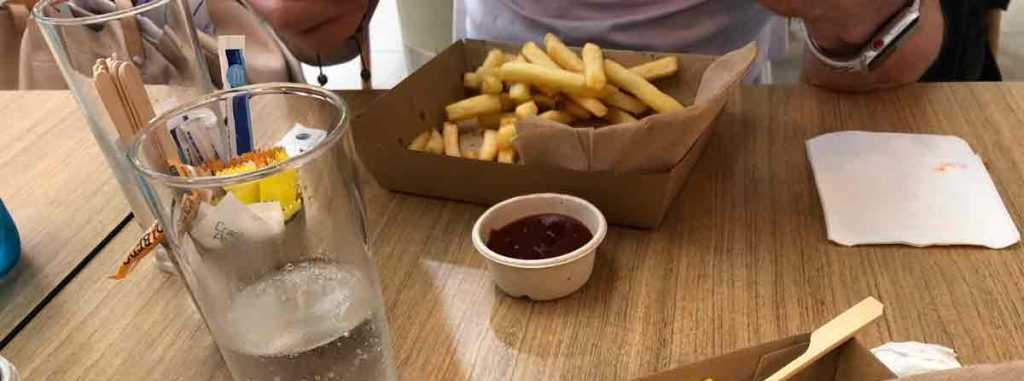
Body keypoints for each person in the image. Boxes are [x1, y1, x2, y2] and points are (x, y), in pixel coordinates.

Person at [248, 0, 1012, 91]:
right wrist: (318, 23)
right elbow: (325, 46)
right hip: (492, 130)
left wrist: (852, 21)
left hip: (720, 148)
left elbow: (886, 54)